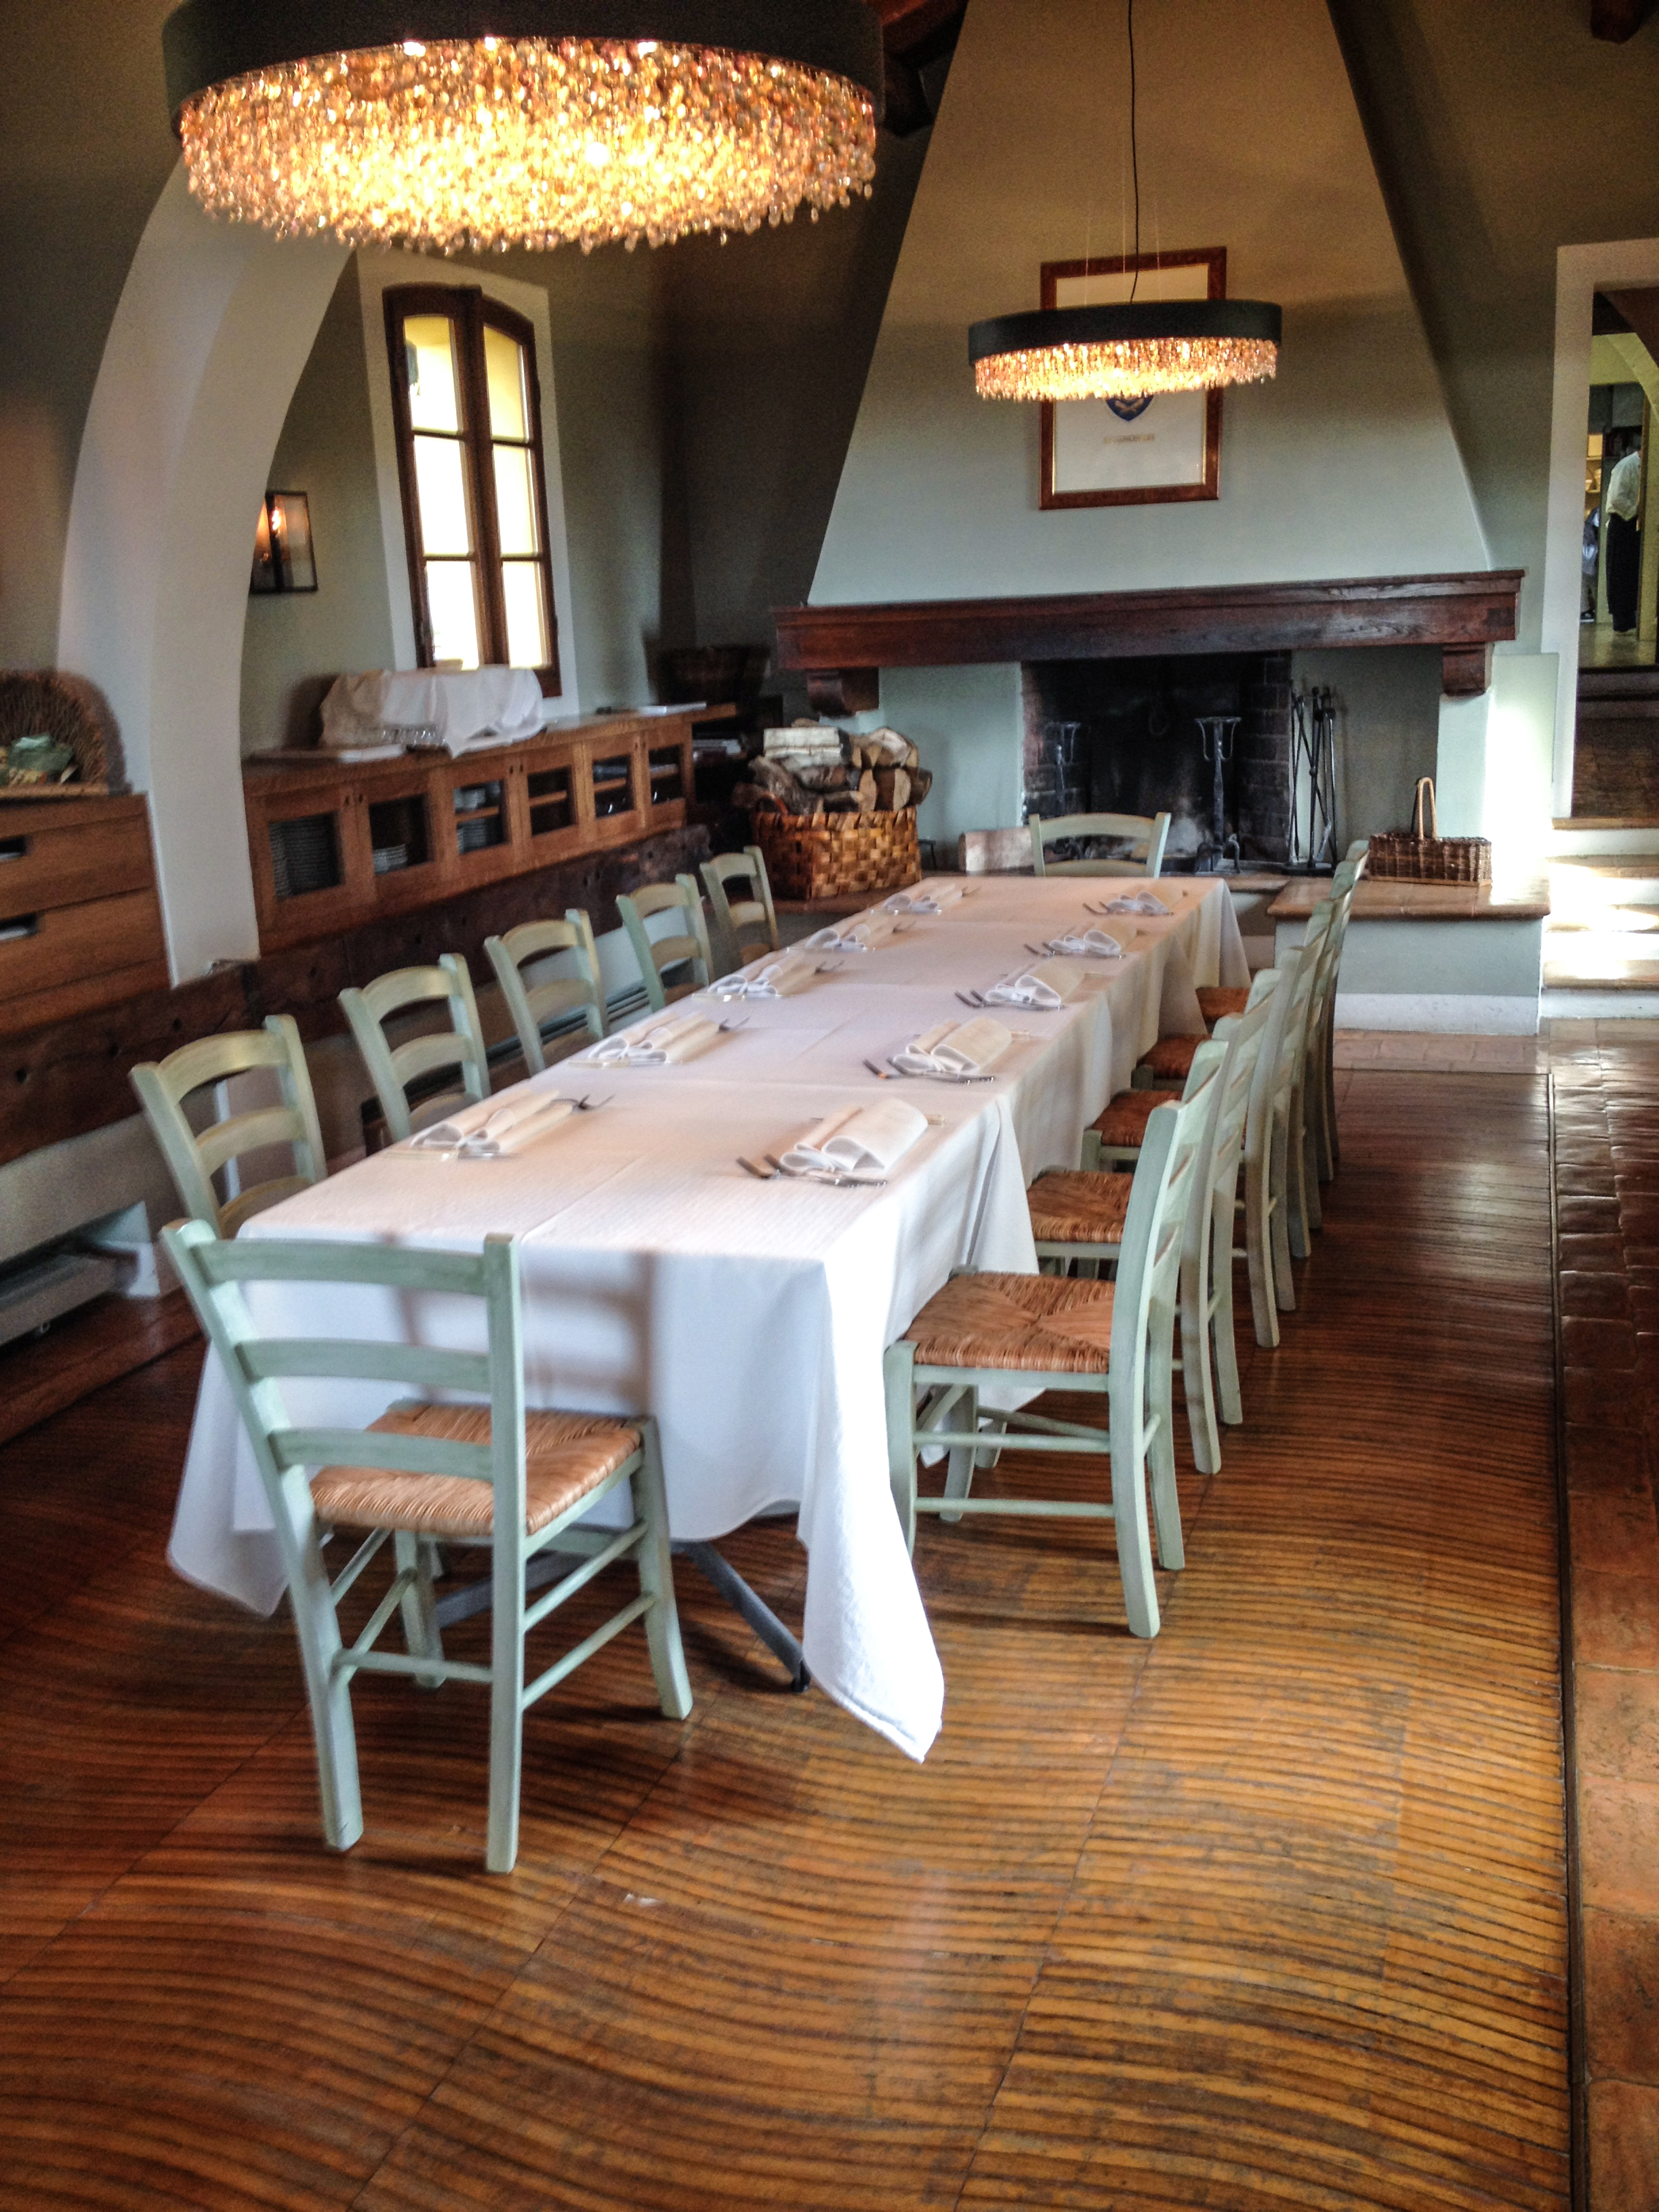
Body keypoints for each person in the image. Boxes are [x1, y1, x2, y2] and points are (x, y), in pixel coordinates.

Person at [1605, 443, 1642, 632]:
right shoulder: (1626, 466)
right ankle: (1621, 620)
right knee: (1620, 572)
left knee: (1634, 573)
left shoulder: (1643, 467)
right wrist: (1639, 511)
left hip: (1635, 522)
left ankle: (1632, 618)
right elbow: (1617, 499)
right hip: (1622, 522)